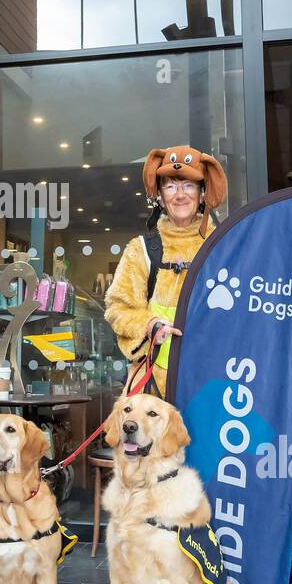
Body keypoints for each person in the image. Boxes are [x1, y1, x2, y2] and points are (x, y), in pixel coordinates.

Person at [104, 144, 228, 395]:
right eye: (170, 186)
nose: (179, 194)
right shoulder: (141, 250)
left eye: (188, 185)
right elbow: (118, 308)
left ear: (202, 193)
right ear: (159, 196)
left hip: (212, 385)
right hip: (153, 393)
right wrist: (148, 325)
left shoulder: (224, 248)